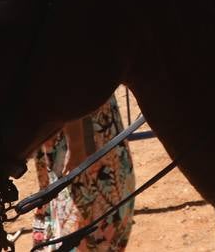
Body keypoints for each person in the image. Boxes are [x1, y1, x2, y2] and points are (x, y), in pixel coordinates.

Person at [29, 96, 135, 251]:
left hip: (83, 115)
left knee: (91, 210)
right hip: (80, 121)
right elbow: (68, 85)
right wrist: (77, 144)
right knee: (89, 213)